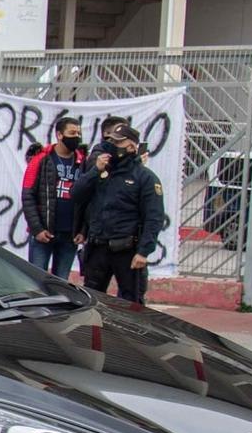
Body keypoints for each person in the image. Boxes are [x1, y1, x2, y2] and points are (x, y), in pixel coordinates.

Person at [73, 127, 166, 305]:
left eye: (118, 142)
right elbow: (77, 195)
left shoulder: (144, 177)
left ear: (131, 147)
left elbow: (154, 217)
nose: (112, 145)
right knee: (91, 301)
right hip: (98, 247)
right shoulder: (102, 172)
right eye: (111, 141)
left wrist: (143, 251)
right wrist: (95, 171)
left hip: (127, 250)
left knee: (131, 303)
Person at [23, 114, 87, 277]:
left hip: (70, 235)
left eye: (78, 134)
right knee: (36, 280)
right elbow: (28, 195)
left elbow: (88, 199)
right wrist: (37, 229)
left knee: (61, 282)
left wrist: (82, 230)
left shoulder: (83, 162)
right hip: (44, 233)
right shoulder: (41, 159)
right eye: (72, 133)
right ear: (59, 135)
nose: (77, 137)